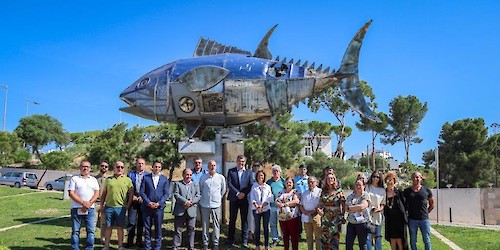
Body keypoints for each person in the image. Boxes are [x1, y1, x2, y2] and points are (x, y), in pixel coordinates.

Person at [100, 161, 134, 250]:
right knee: (108, 227)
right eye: (118, 167)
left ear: (124, 169)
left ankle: (120, 246)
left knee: (120, 228)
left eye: (122, 167)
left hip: (121, 208)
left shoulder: (127, 180)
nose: (119, 169)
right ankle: (106, 246)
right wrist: (101, 205)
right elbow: (104, 193)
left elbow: (131, 193)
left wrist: (128, 205)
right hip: (109, 207)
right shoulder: (108, 179)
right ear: (114, 168)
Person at [68, 160, 100, 250]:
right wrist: (83, 203)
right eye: (83, 166)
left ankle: (89, 248)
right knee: (75, 231)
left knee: (90, 230)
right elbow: (71, 193)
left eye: (87, 167)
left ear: (90, 169)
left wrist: (89, 204)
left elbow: (96, 193)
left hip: (90, 209)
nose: (85, 168)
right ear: (80, 168)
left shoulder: (93, 180)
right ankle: (75, 248)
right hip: (76, 208)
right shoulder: (75, 179)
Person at [140, 160, 170, 250]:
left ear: (161, 168)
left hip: (159, 208)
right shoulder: (146, 178)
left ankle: (157, 247)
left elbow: (166, 194)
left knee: (158, 228)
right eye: (155, 166)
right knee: (147, 228)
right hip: (147, 207)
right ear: (152, 167)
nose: (157, 168)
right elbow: (142, 192)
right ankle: (148, 247)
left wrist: (159, 203)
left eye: (159, 167)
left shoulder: (164, 179)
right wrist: (148, 202)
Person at [226, 155, 254, 248]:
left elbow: (250, 185)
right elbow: (229, 184)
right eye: (239, 161)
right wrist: (238, 193)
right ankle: (230, 240)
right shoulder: (231, 171)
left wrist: (243, 193)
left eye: (242, 161)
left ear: (245, 162)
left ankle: (244, 241)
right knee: (232, 220)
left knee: (244, 220)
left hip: (244, 199)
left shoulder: (249, 172)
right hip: (234, 198)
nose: (241, 163)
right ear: (236, 161)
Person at [199, 160, 226, 250]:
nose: (212, 167)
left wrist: (218, 197)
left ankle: (215, 244)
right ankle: (205, 243)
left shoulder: (220, 177)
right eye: (211, 165)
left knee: (216, 225)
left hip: (216, 205)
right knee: (205, 224)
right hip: (205, 204)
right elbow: (200, 188)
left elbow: (223, 189)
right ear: (208, 166)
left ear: (216, 166)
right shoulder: (203, 177)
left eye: (214, 165)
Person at [403, 172, 434, 250]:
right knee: (413, 240)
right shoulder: (407, 191)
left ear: (421, 178)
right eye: (413, 177)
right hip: (412, 219)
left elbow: (432, 204)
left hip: (424, 220)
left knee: (427, 240)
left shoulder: (427, 190)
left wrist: (426, 213)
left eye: (417, 177)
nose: (415, 179)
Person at [173, 168, 200, 250]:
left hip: (191, 210)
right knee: (178, 230)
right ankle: (176, 246)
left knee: (191, 230)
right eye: (187, 174)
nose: (189, 176)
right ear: (183, 175)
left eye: (190, 175)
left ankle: (190, 247)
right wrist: (185, 202)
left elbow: (198, 195)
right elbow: (176, 194)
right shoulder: (178, 184)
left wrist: (190, 203)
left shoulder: (195, 184)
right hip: (180, 210)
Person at [317, 173, 345, 250]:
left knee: (334, 239)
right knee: (325, 239)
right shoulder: (323, 191)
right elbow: (320, 203)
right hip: (325, 217)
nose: (330, 180)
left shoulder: (339, 191)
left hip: (336, 218)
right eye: (328, 178)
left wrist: (343, 215)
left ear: (334, 179)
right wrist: (319, 209)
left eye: (332, 178)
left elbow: (343, 204)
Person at [126, 158, 150, 248]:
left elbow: (149, 188)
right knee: (131, 222)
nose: (140, 165)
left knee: (141, 222)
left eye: (142, 163)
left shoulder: (148, 175)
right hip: (133, 201)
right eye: (139, 163)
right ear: (136, 164)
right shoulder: (130, 174)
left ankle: (139, 241)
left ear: (145, 165)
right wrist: (132, 197)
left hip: (143, 202)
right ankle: (129, 241)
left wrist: (143, 197)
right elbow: (127, 187)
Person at [384, 172, 408, 250]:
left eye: (391, 180)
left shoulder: (399, 193)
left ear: (394, 181)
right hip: (390, 220)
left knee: (400, 240)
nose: (389, 182)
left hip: (399, 220)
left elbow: (405, 205)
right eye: (388, 180)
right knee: (392, 239)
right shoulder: (383, 193)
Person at [275, 177, 301, 250]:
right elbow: (276, 201)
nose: (288, 184)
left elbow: (296, 201)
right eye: (287, 182)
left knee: (294, 235)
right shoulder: (281, 192)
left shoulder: (295, 192)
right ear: (284, 184)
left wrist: (286, 204)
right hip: (282, 217)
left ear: (293, 184)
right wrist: (280, 205)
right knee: (285, 235)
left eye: (290, 182)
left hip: (293, 216)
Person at [250, 170, 273, 250]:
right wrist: (257, 206)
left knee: (266, 227)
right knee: (257, 227)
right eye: (259, 175)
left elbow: (269, 198)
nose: (261, 177)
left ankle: (266, 245)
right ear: (256, 177)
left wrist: (262, 206)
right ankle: (257, 245)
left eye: (262, 175)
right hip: (256, 210)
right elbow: (252, 197)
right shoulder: (254, 186)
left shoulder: (267, 187)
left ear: (264, 177)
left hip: (266, 209)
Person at [345, 179, 370, 250]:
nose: (358, 186)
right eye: (357, 185)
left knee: (362, 244)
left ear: (363, 186)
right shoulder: (351, 196)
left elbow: (363, 206)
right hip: (351, 223)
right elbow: (346, 208)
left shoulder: (365, 195)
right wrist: (357, 208)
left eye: (360, 185)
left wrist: (350, 208)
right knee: (349, 244)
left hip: (362, 223)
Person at [299, 176, 322, 250]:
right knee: (309, 237)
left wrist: (314, 210)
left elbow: (321, 203)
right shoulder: (304, 193)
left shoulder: (319, 191)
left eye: (312, 182)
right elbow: (301, 204)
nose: (310, 184)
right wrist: (303, 211)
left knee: (318, 236)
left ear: (316, 183)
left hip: (316, 215)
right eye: (309, 182)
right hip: (306, 216)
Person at [365, 171, 386, 250]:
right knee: (368, 237)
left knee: (378, 237)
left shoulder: (382, 190)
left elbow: (383, 203)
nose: (375, 178)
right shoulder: (367, 187)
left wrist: (379, 209)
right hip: (368, 215)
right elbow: (365, 199)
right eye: (374, 176)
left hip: (378, 215)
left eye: (377, 177)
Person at [266, 164, 285, 247]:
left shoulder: (283, 182)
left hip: (281, 206)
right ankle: (275, 239)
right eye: (274, 171)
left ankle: (285, 239)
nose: (275, 172)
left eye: (277, 171)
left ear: (280, 172)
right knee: (273, 224)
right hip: (272, 206)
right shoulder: (269, 182)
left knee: (283, 223)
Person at [95, 160, 110, 243]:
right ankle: (91, 238)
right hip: (95, 203)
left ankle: (103, 238)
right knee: (93, 222)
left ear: (108, 168)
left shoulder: (109, 179)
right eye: (102, 166)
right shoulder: (94, 179)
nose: (104, 167)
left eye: (106, 166)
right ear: (99, 167)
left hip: (105, 203)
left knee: (104, 223)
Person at [248, 161, 261, 242]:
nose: (256, 167)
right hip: (250, 199)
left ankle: (257, 234)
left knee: (258, 217)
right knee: (250, 217)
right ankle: (250, 233)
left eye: (258, 165)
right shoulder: (249, 174)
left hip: (259, 200)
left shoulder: (261, 175)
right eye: (254, 165)